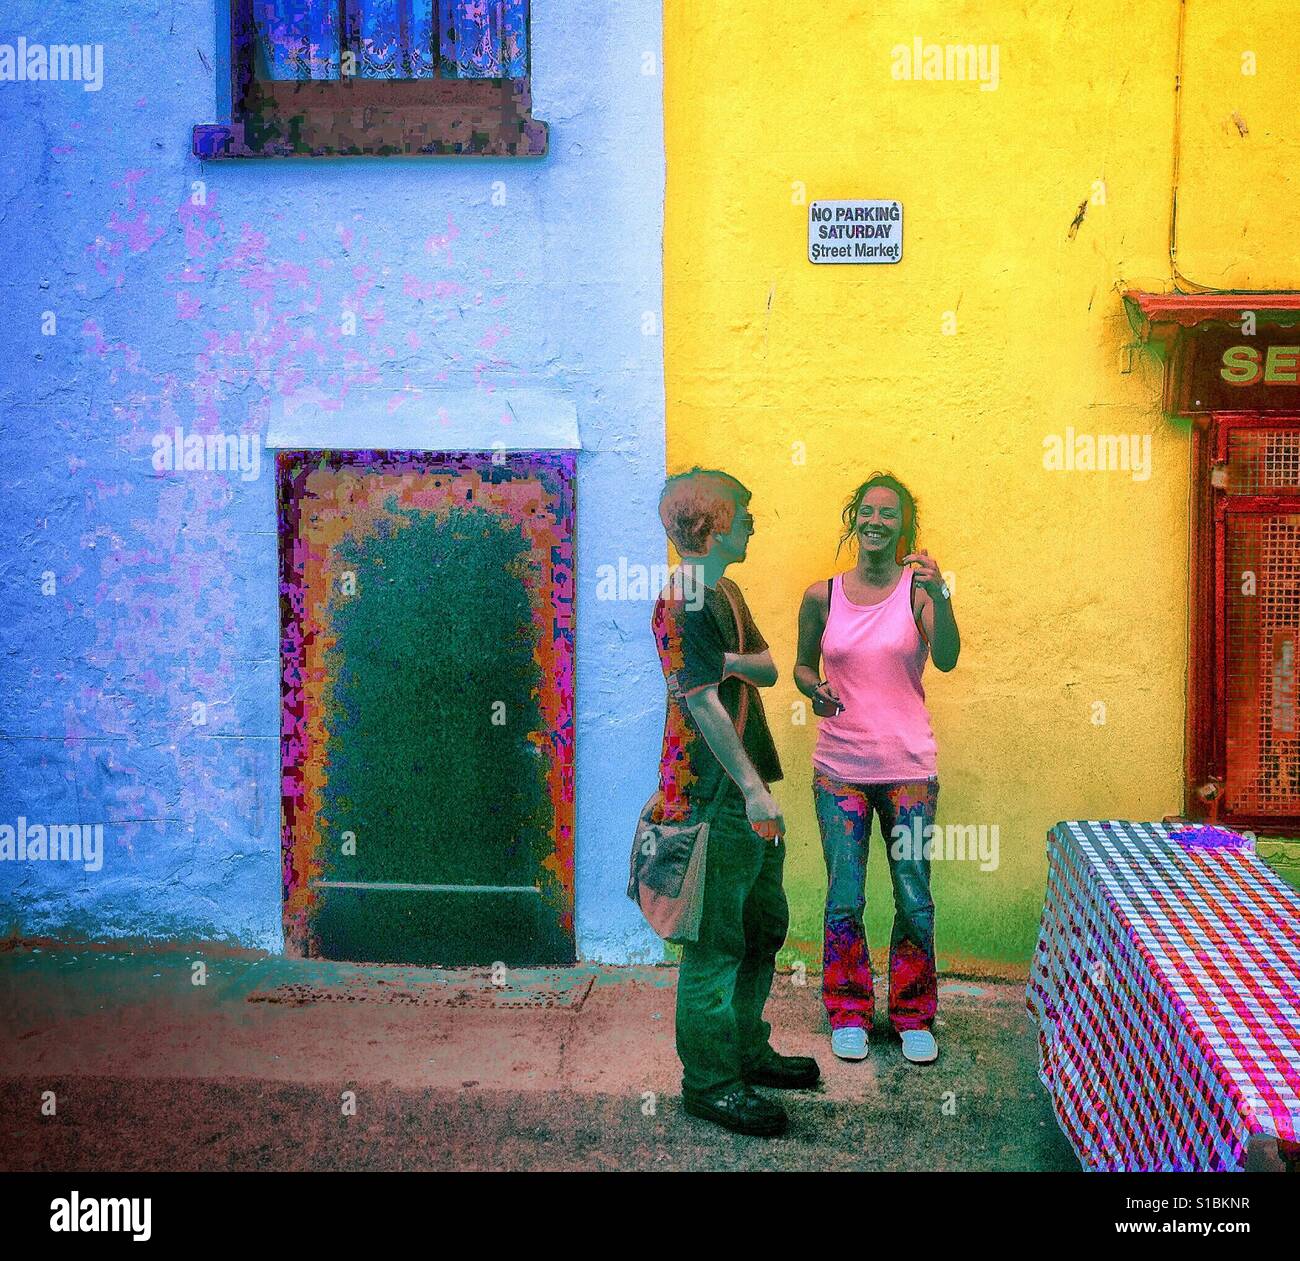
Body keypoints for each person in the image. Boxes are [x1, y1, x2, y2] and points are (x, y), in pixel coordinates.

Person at [651, 467, 820, 1137]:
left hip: (747, 787)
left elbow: (770, 667)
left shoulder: (726, 589)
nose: (754, 522)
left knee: (761, 928)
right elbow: (701, 705)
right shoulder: (683, 598)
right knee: (716, 945)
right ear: (712, 523)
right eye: (744, 513)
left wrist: (726, 663)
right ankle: (712, 1082)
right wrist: (752, 791)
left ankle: (746, 1049)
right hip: (712, 793)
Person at [793, 472, 960, 1065]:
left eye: (890, 514)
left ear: (903, 528)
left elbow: (945, 659)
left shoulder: (917, 593)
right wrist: (816, 693)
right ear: (853, 519)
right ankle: (848, 1012)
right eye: (868, 511)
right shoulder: (822, 595)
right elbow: (802, 668)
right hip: (838, 769)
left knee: (914, 897)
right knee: (845, 897)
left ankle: (913, 1014)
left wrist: (941, 594)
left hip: (909, 769)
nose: (876, 522)